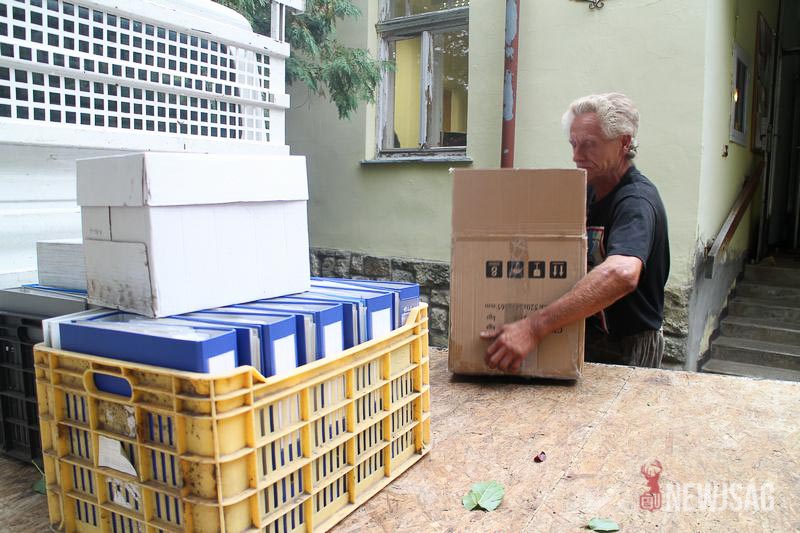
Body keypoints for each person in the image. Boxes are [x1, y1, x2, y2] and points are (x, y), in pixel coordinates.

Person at [481, 92, 669, 370]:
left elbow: (622, 273)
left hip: (628, 345)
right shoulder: (588, 190)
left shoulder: (636, 201)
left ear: (624, 142)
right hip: (587, 335)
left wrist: (534, 327)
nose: (576, 156)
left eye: (589, 145)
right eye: (573, 143)